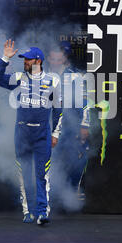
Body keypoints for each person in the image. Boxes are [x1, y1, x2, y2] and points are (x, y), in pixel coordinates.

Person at [0, 39, 63, 225]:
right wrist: (4, 59)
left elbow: (58, 109)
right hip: (22, 133)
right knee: (23, 174)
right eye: (24, 59)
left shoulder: (53, 80)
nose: (25, 62)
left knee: (42, 174)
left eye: (28, 60)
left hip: (42, 135)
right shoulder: (19, 77)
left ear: (38, 61)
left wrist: (56, 133)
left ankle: (42, 213)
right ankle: (27, 211)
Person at [47, 42, 90, 206]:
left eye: (59, 58)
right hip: (48, 128)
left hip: (69, 128)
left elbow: (85, 102)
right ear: (49, 59)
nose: (56, 61)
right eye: (53, 58)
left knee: (76, 161)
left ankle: (70, 194)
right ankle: (52, 197)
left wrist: (84, 125)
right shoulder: (42, 75)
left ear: (64, 59)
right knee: (50, 162)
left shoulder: (75, 77)